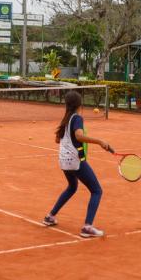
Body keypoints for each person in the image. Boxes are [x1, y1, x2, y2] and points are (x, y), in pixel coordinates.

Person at [42, 91, 114, 238]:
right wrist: (100, 141)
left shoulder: (65, 120)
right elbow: (79, 136)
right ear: (80, 105)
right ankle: (87, 226)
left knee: (72, 187)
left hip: (63, 160)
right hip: (75, 161)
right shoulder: (77, 119)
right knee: (96, 190)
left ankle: (50, 216)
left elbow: (58, 140)